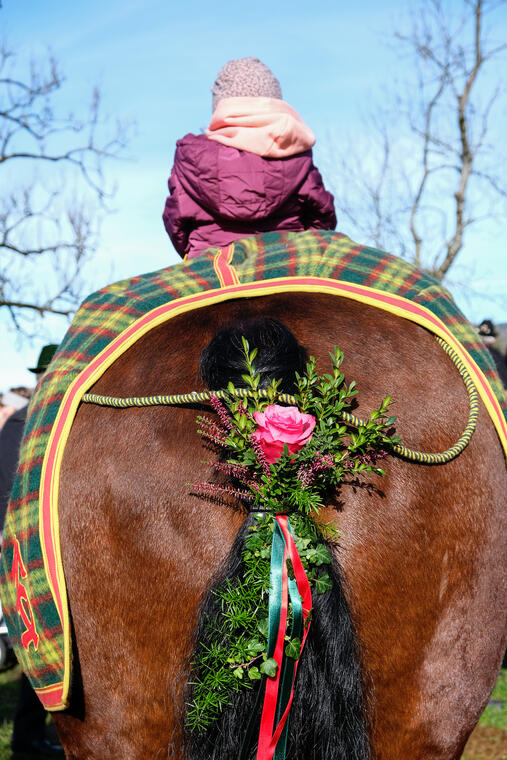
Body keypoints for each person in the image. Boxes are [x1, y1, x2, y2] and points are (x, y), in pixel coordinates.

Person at [163, 57, 336, 259]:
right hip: (285, 263)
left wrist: (195, 251)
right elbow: (322, 220)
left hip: (211, 267)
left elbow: (177, 224)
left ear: (221, 107)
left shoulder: (191, 155)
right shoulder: (295, 153)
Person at [0, 344, 63, 758]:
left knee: (33, 646)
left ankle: (29, 736)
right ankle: (27, 737)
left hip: (26, 545)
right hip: (20, 546)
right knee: (29, 645)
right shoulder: (26, 424)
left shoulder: (28, 422)